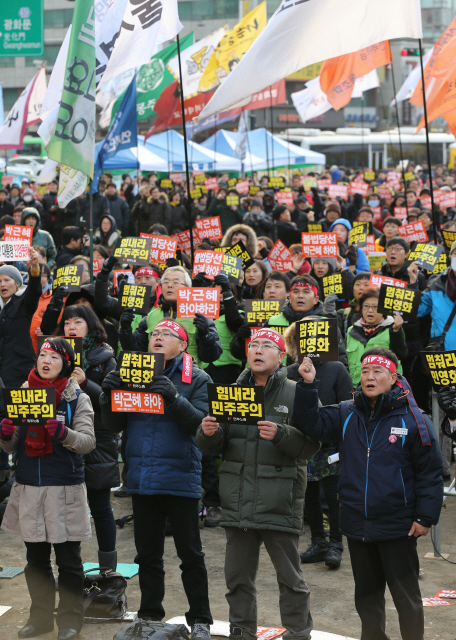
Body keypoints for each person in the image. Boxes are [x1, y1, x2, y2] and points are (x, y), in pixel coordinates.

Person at [292, 347, 443, 640]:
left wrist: (426, 516)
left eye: (377, 372)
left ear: (393, 377)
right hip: (357, 523)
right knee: (367, 597)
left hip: (398, 524)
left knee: (406, 597)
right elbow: (310, 423)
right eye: (364, 372)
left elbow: (429, 472)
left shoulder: (414, 419)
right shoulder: (347, 412)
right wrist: (308, 385)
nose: (369, 377)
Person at [196, 328, 320, 640]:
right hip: (237, 499)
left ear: (281, 357)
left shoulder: (296, 391)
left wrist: (281, 434)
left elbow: (311, 447)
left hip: (279, 499)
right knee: (237, 578)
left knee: (290, 580)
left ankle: (298, 634)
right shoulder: (231, 392)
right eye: (254, 345)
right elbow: (216, 448)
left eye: (267, 345)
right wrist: (208, 433)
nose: (259, 350)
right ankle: (241, 633)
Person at [100, 320, 213, 638]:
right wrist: (107, 395)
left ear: (183, 345)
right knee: (147, 555)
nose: (158, 338)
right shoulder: (132, 374)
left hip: (180, 478)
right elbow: (112, 424)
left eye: (167, 335)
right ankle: (149, 615)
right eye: (154, 334)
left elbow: (202, 428)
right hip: (142, 477)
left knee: (190, 554)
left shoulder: (198, 378)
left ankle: (201, 619)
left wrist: (175, 397)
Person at [0, 337, 96, 640]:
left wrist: (64, 433)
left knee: (69, 561)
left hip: (64, 489)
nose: (46, 360)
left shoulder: (76, 398)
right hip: (29, 487)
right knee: (35, 560)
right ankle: (40, 618)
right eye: (43, 354)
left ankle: (70, 620)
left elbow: (87, 443)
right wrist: (4, 435)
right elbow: (13, 443)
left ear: (65, 363)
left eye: (54, 357)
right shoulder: (22, 394)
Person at [53, 305, 119, 571]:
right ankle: (71, 570)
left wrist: (85, 384)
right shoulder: (53, 354)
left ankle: (108, 571)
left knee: (100, 506)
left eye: (77, 321)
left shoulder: (104, 357)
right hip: (61, 434)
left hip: (98, 435)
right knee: (67, 508)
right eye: (67, 322)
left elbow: (112, 399)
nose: (71, 327)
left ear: (90, 325)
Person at [284, 321, 353, 568]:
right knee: (308, 496)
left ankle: (336, 544)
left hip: (332, 443)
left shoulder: (337, 369)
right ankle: (318, 542)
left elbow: (348, 405)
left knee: (333, 497)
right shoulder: (290, 371)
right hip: (303, 443)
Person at [118, 266, 222, 368]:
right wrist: (125, 330)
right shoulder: (151, 315)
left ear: (187, 288)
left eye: (176, 282)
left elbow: (212, 357)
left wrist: (205, 335)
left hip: (188, 379)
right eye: (166, 282)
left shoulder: (199, 315)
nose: (170, 285)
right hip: (155, 377)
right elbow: (136, 352)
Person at [346, 288, 407, 386]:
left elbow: (401, 354)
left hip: (384, 387)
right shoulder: (351, 330)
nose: (370, 310)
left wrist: (396, 331)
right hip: (355, 386)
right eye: (366, 306)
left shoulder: (393, 328)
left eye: (375, 307)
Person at [0, 249, 42, 387]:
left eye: (7, 280)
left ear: (17, 283)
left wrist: (34, 268)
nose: (2, 284)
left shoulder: (23, 302)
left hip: (19, 368)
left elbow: (34, 291)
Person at [30, 263, 53, 352]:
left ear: (47, 279)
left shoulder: (53, 299)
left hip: (43, 348)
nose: (38, 278)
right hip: (22, 348)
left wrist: (47, 331)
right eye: (35, 274)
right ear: (29, 277)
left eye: (42, 275)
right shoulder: (21, 296)